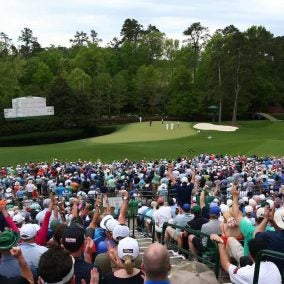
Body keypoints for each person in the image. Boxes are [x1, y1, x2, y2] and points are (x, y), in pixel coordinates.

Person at [213, 237, 281, 284]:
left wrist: (220, 243)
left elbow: (225, 264)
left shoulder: (246, 273)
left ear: (250, 255)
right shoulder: (273, 266)